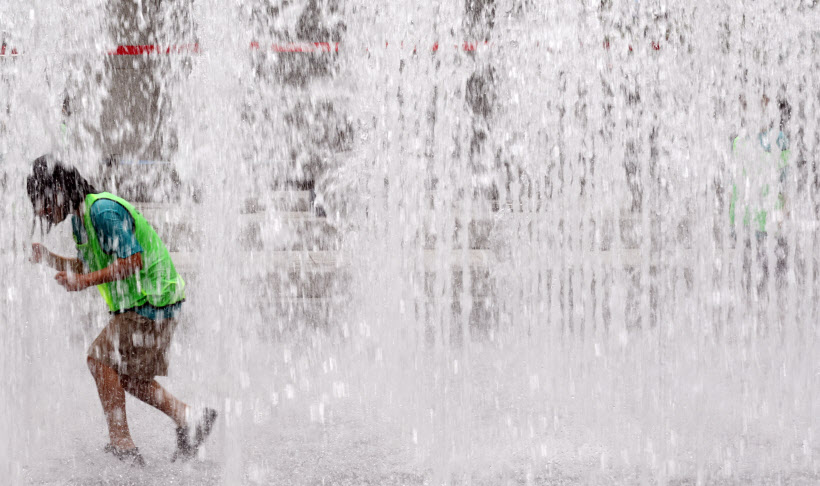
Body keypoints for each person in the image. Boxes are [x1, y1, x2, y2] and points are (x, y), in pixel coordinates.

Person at [26, 155, 216, 467]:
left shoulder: (102, 211)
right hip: (145, 301)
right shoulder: (80, 220)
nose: (42, 211)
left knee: (100, 360)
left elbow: (133, 261)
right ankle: (190, 419)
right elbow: (89, 265)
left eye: (43, 202)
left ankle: (122, 445)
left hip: (152, 299)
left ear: (60, 190)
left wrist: (85, 281)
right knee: (127, 376)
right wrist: (51, 259)